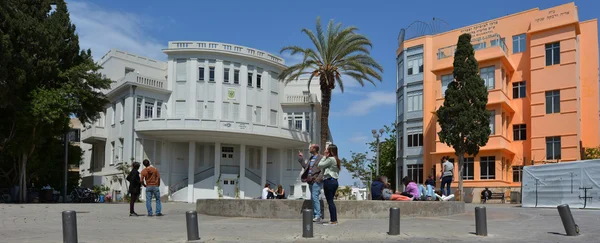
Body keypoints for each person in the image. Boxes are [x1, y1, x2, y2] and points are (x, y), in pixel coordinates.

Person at [298, 144, 324, 222]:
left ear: (315, 149)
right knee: (313, 198)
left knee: (314, 196)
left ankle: (318, 215)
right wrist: (301, 159)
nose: (309, 148)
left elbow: (323, 170)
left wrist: (318, 179)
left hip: (316, 181)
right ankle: (315, 215)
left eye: (311, 147)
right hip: (310, 181)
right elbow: (306, 168)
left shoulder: (321, 158)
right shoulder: (311, 158)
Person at [318, 144, 341, 226]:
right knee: (331, 201)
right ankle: (333, 219)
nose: (326, 151)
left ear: (330, 151)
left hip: (329, 181)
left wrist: (324, 156)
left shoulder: (331, 159)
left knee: (330, 201)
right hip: (334, 181)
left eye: (327, 149)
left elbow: (320, 165)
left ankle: (334, 220)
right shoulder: (336, 159)